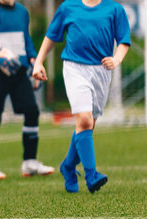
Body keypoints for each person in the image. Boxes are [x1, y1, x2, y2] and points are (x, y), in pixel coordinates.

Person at [33, 0, 130, 193]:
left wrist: (116, 59)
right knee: (84, 121)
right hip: (74, 68)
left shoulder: (115, 9)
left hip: (102, 71)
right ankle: (91, 175)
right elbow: (51, 36)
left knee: (87, 126)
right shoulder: (68, 7)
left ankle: (68, 167)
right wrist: (38, 62)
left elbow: (123, 41)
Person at [0, 0, 54, 180]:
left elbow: (25, 40)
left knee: (32, 111)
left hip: (17, 72)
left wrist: (33, 62)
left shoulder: (22, 12)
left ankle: (30, 162)